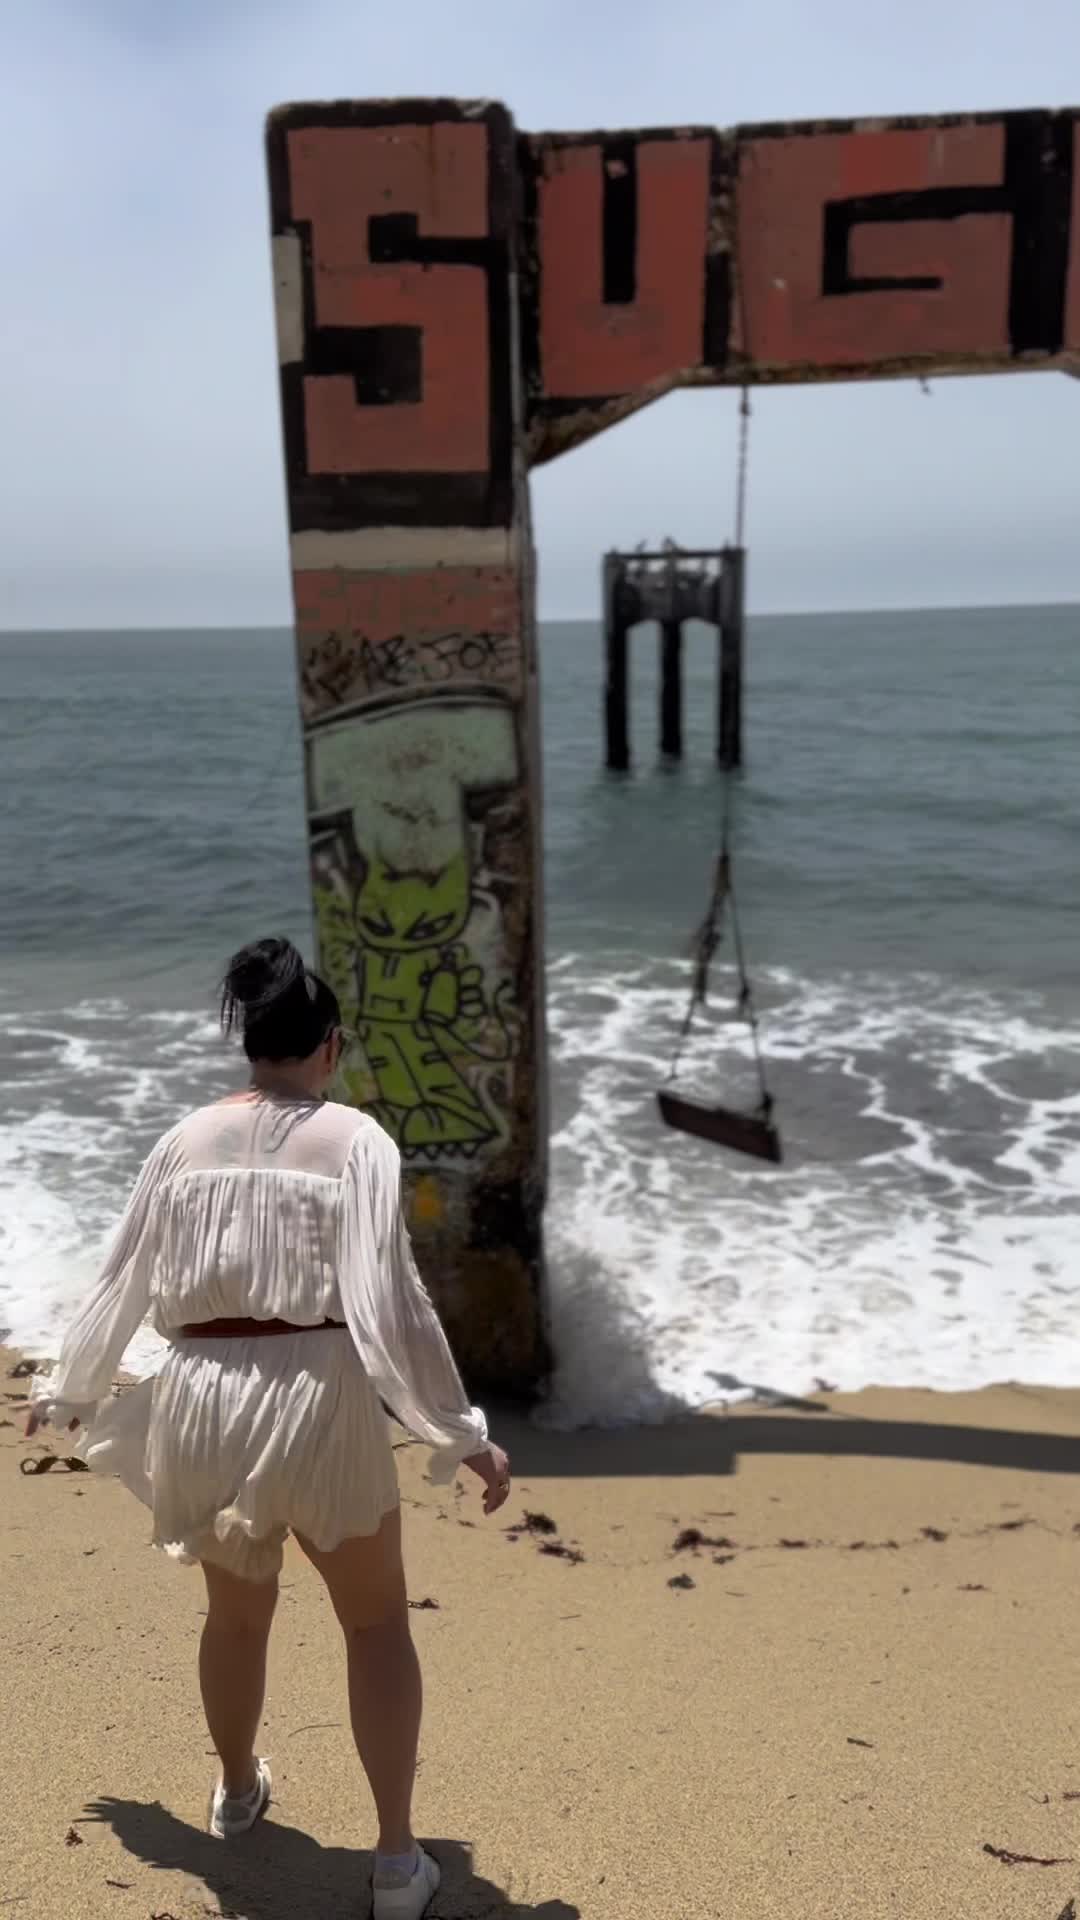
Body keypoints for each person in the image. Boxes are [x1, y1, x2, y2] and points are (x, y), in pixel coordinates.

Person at [27, 936, 511, 1920]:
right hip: (316, 1389)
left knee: (237, 1617)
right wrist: (459, 1431)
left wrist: (70, 1391)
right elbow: (390, 1306)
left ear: (251, 1047)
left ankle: (238, 1792)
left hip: (202, 1390)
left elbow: (117, 1277)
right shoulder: (356, 1141)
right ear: (329, 1049)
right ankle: (392, 1860)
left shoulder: (182, 1140)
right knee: (374, 1623)